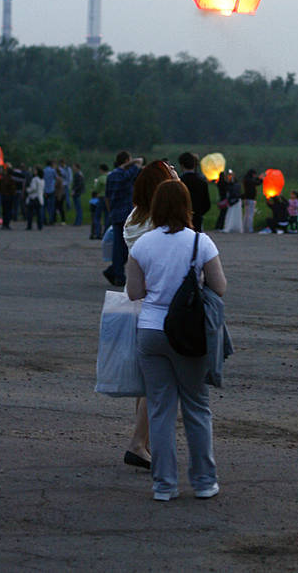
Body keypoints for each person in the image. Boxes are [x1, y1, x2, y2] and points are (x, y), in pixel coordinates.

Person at [126, 179, 227, 501]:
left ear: (155, 207)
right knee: (197, 407)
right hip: (188, 335)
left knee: (160, 409)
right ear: (187, 206)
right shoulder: (201, 243)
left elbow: (133, 293)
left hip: (151, 332)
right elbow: (220, 287)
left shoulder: (142, 245)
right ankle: (203, 482)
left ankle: (164, 485)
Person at [122, 160, 179, 471]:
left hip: (137, 302)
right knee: (161, 381)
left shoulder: (133, 218)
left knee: (147, 380)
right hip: (161, 305)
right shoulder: (160, 222)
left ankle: (143, 440)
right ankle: (138, 442)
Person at [104, 152, 144, 286]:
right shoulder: (126, 175)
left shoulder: (111, 176)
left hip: (115, 213)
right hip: (126, 214)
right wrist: (134, 162)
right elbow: (139, 163)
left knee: (118, 246)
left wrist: (110, 212)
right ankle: (118, 274)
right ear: (127, 160)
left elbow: (107, 196)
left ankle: (114, 271)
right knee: (128, 246)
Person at [179, 152, 211, 232]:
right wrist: (198, 212)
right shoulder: (202, 182)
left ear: (182, 165)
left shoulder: (179, 182)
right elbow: (207, 204)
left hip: (181, 218)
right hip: (197, 218)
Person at [25, 166, 44, 231]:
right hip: (40, 198)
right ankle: (40, 226)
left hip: (34, 197)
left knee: (30, 213)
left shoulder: (34, 179)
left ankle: (29, 226)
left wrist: (28, 190)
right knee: (39, 213)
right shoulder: (42, 179)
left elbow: (33, 188)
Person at [0, 165, 16, 230]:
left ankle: (4, 224)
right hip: (9, 196)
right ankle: (7, 224)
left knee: (4, 210)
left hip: (3, 196)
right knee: (9, 210)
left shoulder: (2, 179)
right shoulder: (12, 180)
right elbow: (13, 189)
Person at [43, 160, 57, 225]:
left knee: (44, 206)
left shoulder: (44, 170)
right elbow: (56, 178)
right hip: (51, 189)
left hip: (45, 190)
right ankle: (51, 220)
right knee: (51, 206)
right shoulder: (53, 171)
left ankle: (44, 220)